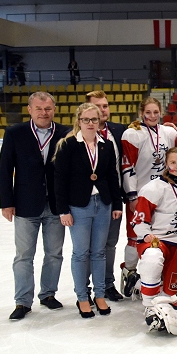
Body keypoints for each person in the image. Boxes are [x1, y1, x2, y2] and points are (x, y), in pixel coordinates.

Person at [0, 92, 71, 320]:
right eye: (39, 108)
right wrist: (6, 202)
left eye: (48, 108)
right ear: (30, 110)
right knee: (23, 256)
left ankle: (48, 294)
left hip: (56, 205)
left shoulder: (64, 132)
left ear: (54, 109)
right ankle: (22, 301)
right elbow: (4, 169)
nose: (44, 113)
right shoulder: (15, 133)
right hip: (24, 204)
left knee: (54, 254)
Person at [54, 103, 122, 318]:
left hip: (103, 203)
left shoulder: (106, 145)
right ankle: (83, 297)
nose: (91, 123)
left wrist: (117, 204)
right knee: (81, 253)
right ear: (79, 120)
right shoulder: (68, 145)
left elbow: (112, 177)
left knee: (99, 252)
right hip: (78, 206)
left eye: (94, 119)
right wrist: (63, 210)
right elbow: (60, 180)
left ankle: (99, 295)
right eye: (86, 120)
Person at [132, 148, 177, 317]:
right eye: (173, 162)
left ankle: (141, 285)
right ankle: (149, 306)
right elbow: (138, 220)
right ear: (166, 163)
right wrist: (145, 234)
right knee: (152, 257)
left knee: (171, 296)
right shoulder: (152, 188)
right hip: (159, 240)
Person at [120, 97, 177, 297]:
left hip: (162, 193)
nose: (152, 116)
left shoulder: (168, 132)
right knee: (135, 236)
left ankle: (155, 277)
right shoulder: (133, 134)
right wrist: (132, 194)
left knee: (158, 236)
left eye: (156, 112)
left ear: (160, 112)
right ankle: (130, 273)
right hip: (141, 194)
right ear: (141, 113)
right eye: (148, 112)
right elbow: (127, 165)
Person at [86, 90, 128, 301]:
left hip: (114, 198)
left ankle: (107, 285)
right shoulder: (79, 134)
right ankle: (85, 290)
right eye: (98, 106)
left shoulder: (119, 130)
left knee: (109, 244)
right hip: (87, 200)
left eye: (105, 106)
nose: (103, 110)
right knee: (88, 247)